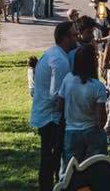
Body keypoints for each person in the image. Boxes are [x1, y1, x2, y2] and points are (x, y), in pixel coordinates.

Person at [31, 20, 76, 191]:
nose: (76, 38)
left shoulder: (53, 53)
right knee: (52, 158)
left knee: (49, 158)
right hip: (51, 118)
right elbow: (56, 95)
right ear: (65, 38)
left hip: (46, 115)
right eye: (73, 35)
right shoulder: (60, 61)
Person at [58, 43, 109, 168]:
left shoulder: (67, 79)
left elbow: (59, 106)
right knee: (96, 169)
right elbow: (100, 121)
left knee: (70, 171)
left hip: (71, 131)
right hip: (92, 132)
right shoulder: (98, 87)